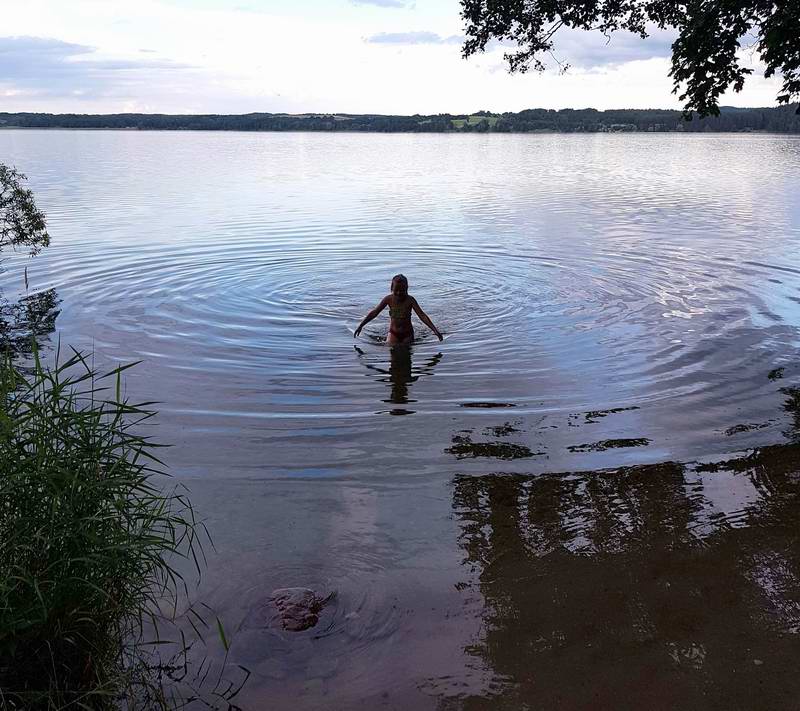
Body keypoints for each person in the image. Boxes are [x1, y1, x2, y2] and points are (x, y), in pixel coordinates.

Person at [354, 274, 443, 345]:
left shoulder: (410, 300)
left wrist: (435, 330)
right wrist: (361, 325)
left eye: (402, 290)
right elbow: (375, 312)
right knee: (392, 356)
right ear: (392, 288)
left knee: (406, 356)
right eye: (396, 290)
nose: (399, 293)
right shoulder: (388, 299)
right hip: (393, 333)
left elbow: (422, 315)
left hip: (408, 334)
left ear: (407, 288)